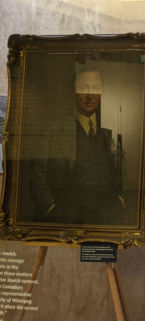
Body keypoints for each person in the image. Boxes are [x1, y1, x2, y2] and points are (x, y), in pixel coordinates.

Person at [29, 68, 124, 224]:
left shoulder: (106, 132)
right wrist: (51, 208)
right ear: (74, 91)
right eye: (83, 88)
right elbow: (37, 175)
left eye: (95, 88)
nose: (90, 96)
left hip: (103, 218)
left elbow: (116, 170)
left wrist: (120, 199)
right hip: (67, 217)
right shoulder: (53, 129)